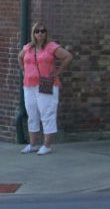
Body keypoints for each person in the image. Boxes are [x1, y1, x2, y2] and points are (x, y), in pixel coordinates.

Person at [18, 21, 72, 154]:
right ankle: (33, 144)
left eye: (43, 31)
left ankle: (47, 145)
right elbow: (20, 58)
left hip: (46, 83)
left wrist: (57, 73)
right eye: (37, 31)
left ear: (46, 33)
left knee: (47, 113)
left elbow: (68, 57)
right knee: (32, 113)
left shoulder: (51, 46)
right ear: (33, 33)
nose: (40, 33)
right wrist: (24, 71)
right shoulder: (28, 48)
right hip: (29, 84)